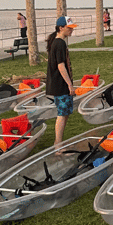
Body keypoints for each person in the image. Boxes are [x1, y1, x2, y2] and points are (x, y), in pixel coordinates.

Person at [47, 16, 77, 146]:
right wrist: (70, 85)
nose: (71, 30)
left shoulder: (58, 41)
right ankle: (57, 145)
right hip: (60, 85)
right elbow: (61, 66)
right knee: (62, 114)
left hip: (60, 84)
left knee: (65, 114)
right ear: (61, 28)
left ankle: (58, 143)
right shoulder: (59, 43)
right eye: (69, 28)